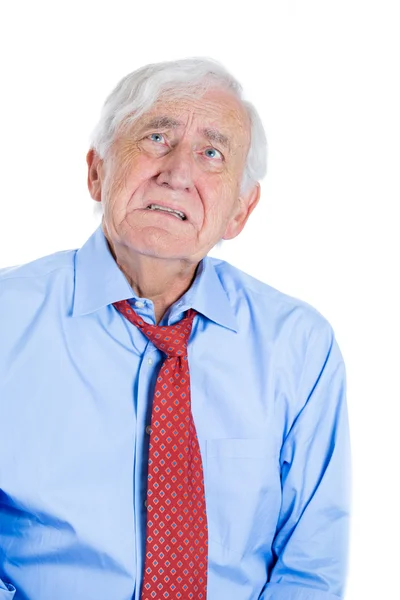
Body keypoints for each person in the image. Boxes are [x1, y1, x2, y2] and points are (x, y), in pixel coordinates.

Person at [0, 58, 351, 600]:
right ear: (96, 171)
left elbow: (311, 567)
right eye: (156, 137)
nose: (178, 172)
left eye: (212, 153)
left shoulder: (298, 346)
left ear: (240, 210)